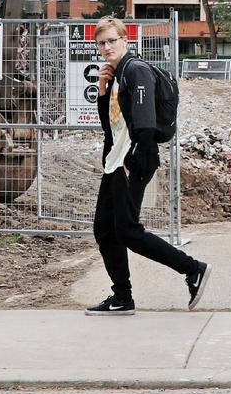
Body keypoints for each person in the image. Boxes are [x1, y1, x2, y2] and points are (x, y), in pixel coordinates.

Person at [85, 16, 210, 315]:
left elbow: (144, 122)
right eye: (101, 43)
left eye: (112, 40)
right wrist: (103, 91)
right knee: (104, 228)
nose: (107, 47)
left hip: (131, 161)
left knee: (128, 230)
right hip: (115, 161)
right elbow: (110, 127)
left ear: (125, 41)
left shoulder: (136, 70)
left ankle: (193, 269)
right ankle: (122, 297)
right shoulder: (115, 76)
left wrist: (132, 160)